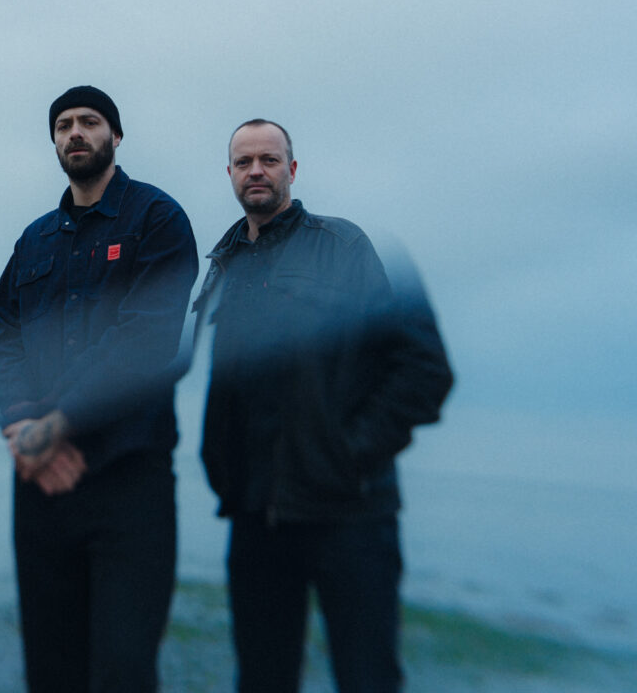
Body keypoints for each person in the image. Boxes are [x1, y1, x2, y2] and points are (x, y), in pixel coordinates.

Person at [193, 119, 453, 693]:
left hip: (349, 515)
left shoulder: (344, 246)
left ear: (292, 169)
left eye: (268, 159)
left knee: (367, 677)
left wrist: (349, 455)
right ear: (229, 174)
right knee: (262, 679)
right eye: (243, 162)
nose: (255, 170)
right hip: (257, 517)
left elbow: (423, 369)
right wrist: (222, 471)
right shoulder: (226, 264)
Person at [0, 85, 199, 693]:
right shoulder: (35, 239)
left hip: (128, 481)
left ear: (116, 136)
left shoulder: (157, 219)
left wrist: (56, 428)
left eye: (90, 121)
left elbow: (144, 339)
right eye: (63, 125)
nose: (75, 132)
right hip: (41, 491)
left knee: (122, 672)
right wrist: (24, 423)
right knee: (51, 673)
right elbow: (4, 341)